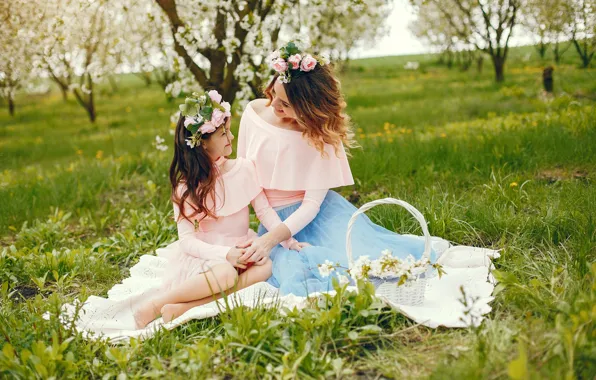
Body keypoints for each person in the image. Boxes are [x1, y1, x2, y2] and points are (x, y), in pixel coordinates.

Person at [236, 42, 435, 296]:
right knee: (292, 269)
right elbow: (247, 177)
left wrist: (274, 238)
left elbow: (310, 205)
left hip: (318, 217)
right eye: (274, 94)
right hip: (272, 218)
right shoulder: (254, 112)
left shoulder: (320, 136)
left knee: (365, 263)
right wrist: (275, 237)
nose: (274, 105)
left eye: (285, 104)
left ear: (308, 108)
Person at [133, 90, 308, 328]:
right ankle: (156, 305)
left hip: (239, 246)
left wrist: (288, 240)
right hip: (208, 254)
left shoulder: (244, 169)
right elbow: (186, 240)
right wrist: (224, 255)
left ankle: (185, 308)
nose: (231, 137)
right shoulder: (188, 187)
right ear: (202, 143)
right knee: (226, 274)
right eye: (223, 133)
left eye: (229, 130)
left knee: (265, 265)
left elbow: (264, 211)